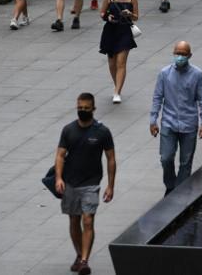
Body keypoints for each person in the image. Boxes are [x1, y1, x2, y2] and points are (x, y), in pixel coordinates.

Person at [53, 93, 116, 275]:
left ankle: (84, 260)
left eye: (86, 109)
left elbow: (111, 158)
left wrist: (111, 185)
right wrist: (58, 178)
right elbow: (60, 155)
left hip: (91, 183)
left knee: (88, 220)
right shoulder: (68, 130)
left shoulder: (102, 132)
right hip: (70, 182)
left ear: (93, 109)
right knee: (74, 220)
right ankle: (79, 254)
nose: (82, 111)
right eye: (80, 108)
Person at [149, 42, 202, 195]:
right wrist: (153, 119)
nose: (180, 57)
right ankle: (170, 185)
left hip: (189, 124)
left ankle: (180, 191)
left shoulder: (197, 74)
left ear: (189, 56)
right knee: (166, 158)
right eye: (177, 53)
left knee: (186, 162)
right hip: (169, 123)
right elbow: (157, 97)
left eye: (183, 54)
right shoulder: (164, 74)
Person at [99, 0, 139, 104]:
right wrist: (107, 17)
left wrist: (130, 14)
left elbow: (136, 17)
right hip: (111, 31)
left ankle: (117, 92)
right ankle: (117, 84)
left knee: (121, 62)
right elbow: (102, 13)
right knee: (112, 63)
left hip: (124, 31)